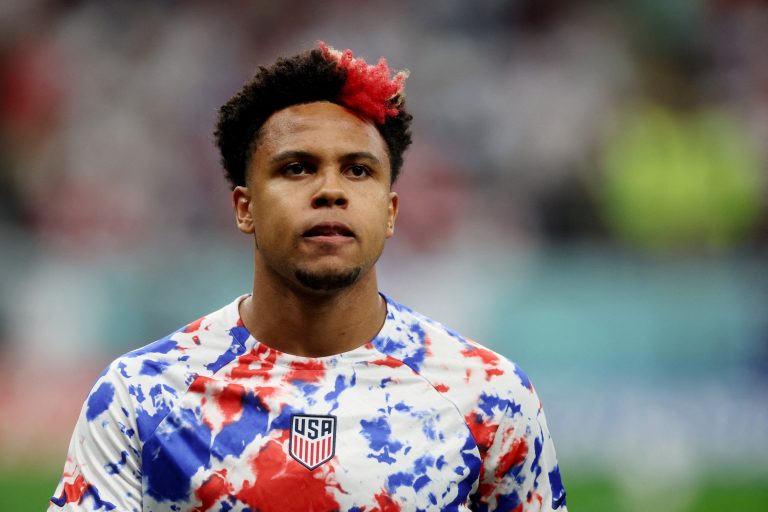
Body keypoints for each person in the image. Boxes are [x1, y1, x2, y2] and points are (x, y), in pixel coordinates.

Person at [49, 43, 567, 512]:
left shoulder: (489, 397)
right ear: (244, 208)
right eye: (297, 167)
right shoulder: (142, 397)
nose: (330, 191)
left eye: (358, 170)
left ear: (389, 212)